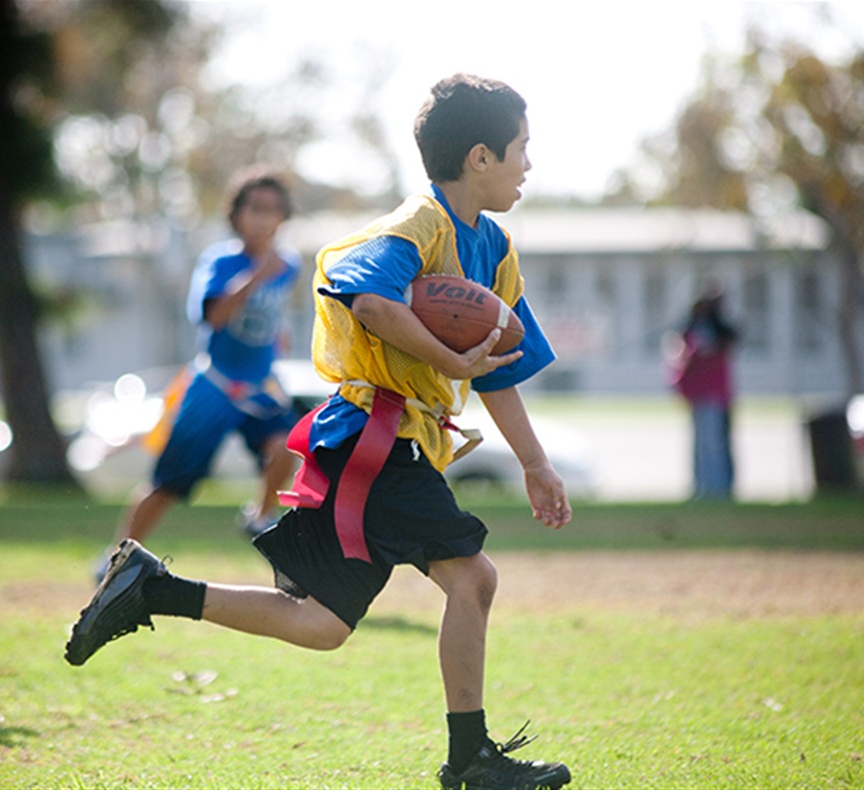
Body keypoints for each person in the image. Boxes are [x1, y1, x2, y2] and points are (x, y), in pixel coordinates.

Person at [66, 74, 573, 790]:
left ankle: (152, 589)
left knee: (323, 624)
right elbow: (367, 300)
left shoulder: (494, 247)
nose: (530, 164)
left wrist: (535, 461)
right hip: (373, 435)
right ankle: (471, 761)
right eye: (523, 148)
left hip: (388, 444)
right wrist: (448, 356)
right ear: (481, 156)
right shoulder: (417, 226)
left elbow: (497, 368)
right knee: (474, 577)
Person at [93, 170, 301, 578]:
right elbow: (215, 318)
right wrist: (257, 274)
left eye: (272, 210)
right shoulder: (220, 261)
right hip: (215, 386)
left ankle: (259, 515)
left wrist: (279, 336)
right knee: (169, 483)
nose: (263, 218)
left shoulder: (289, 265)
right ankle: (116, 558)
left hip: (259, 386)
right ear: (236, 215)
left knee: (289, 446)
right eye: (254, 208)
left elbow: (270, 316)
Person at [670, 283, 738, 500]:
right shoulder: (692, 330)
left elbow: (730, 339)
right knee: (700, 444)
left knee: (715, 443)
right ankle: (701, 487)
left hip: (715, 395)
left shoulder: (720, 331)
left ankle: (719, 489)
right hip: (697, 394)